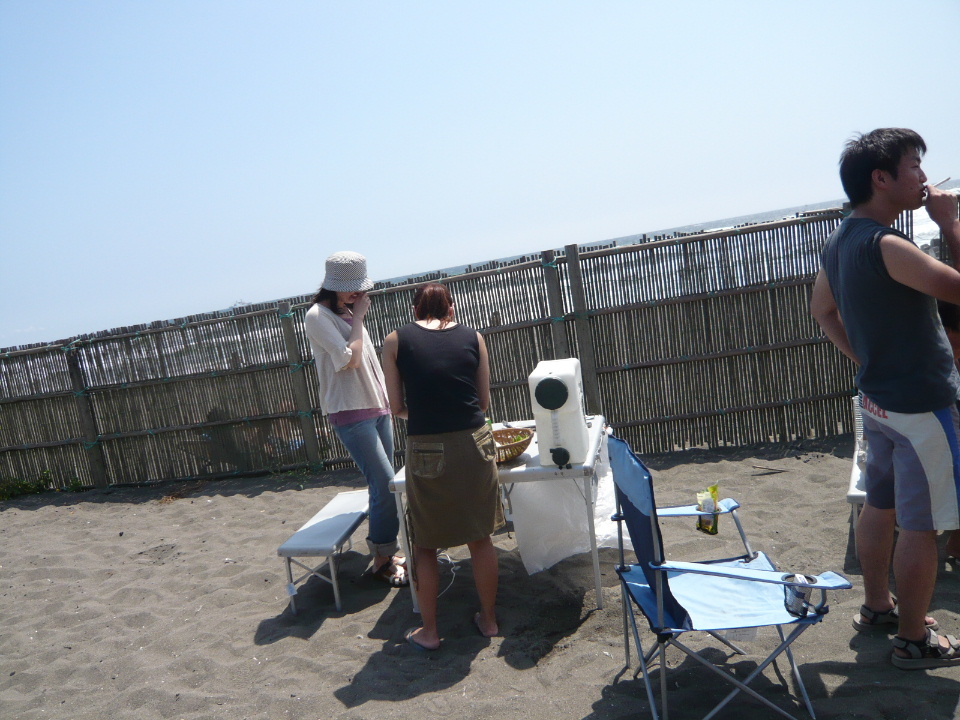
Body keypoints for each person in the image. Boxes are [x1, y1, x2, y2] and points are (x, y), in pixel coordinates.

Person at [810, 128, 960, 668]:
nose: (923, 176)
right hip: (920, 405)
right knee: (921, 524)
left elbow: (822, 311)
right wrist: (950, 224)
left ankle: (878, 606)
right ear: (881, 178)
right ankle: (915, 639)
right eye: (914, 165)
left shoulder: (841, 240)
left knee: (880, 503)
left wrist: (866, 362)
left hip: (878, 401)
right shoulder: (887, 245)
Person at [381, 282, 504, 651]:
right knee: (480, 538)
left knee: (425, 545)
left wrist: (424, 415)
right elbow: (483, 403)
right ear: (451, 307)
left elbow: (396, 406)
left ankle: (430, 632)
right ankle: (489, 621)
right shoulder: (474, 337)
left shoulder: (395, 341)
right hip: (474, 443)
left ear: (415, 310)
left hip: (426, 447)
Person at [303, 251, 407, 587]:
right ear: (333, 285)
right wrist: (359, 317)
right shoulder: (317, 316)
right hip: (350, 412)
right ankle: (382, 557)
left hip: (377, 408)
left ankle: (386, 553)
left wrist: (389, 403)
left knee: (384, 485)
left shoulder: (346, 311)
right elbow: (350, 360)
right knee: (386, 485)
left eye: (360, 287)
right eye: (352, 287)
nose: (358, 293)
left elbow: (371, 364)